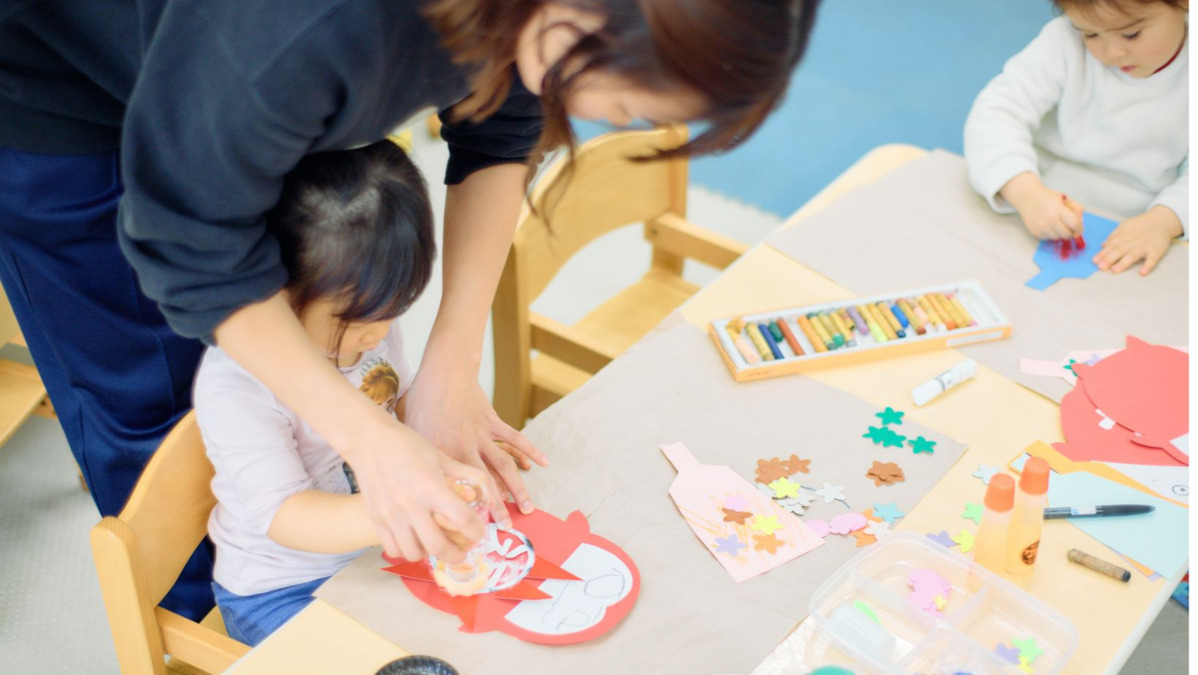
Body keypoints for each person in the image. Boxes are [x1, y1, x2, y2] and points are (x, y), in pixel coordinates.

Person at [0, 0, 820, 620]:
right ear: (574, 25)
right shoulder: (304, 33)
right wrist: (371, 440)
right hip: (55, 89)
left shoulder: (512, 29)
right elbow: (188, 248)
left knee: (281, 339)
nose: (621, 122)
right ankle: (201, 619)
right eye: (631, 103)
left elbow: (501, 132)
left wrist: (449, 370)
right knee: (149, 404)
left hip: (218, 89)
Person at [197, 140, 442, 645]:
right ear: (282, 289)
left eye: (395, 309)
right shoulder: (236, 384)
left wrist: (444, 462)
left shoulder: (370, 323)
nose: (379, 334)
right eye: (355, 321)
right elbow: (287, 516)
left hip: (374, 557)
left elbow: (399, 407)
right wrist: (402, 510)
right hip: (281, 589)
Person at [963, 0, 1187, 276]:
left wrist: (1166, 220)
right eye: (1090, 34)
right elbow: (997, 111)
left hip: (1138, 227)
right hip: (1036, 202)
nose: (1112, 52)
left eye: (1131, 34)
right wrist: (1024, 191)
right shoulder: (1063, 41)